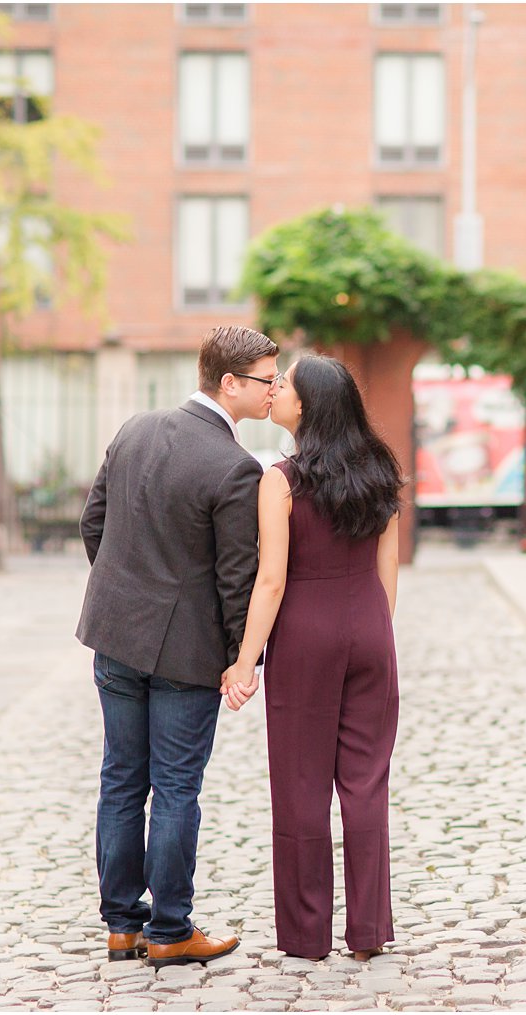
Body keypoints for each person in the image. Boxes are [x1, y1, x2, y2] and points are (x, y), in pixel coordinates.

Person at [77, 324, 279, 967]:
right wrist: (240, 660)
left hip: (115, 637)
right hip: (185, 656)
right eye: (266, 381)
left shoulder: (135, 428)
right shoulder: (235, 466)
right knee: (175, 789)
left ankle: (120, 926)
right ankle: (169, 929)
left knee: (120, 779)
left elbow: (93, 524)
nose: (275, 391)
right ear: (230, 383)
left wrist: (123, 594)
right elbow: (235, 578)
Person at [221, 354, 403, 962]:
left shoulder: (282, 478)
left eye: (285, 387)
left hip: (304, 634)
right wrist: (373, 630)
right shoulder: (381, 469)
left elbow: (270, 580)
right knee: (366, 782)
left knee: (300, 786)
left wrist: (246, 662)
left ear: (311, 406)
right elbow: (388, 570)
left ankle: (306, 936)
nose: (274, 393)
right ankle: (370, 931)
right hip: (370, 629)